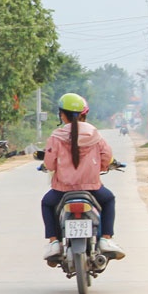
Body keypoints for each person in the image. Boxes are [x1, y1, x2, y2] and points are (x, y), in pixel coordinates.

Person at [40, 92, 126, 264]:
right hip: (92, 188)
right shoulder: (94, 135)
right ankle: (106, 238)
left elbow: (49, 164)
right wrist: (102, 167)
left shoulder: (56, 136)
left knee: (47, 203)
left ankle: (54, 242)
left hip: (62, 190)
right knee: (109, 200)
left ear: (62, 115)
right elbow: (106, 156)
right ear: (83, 114)